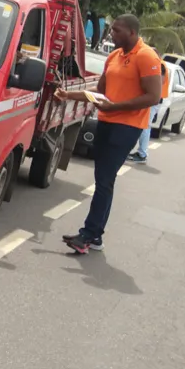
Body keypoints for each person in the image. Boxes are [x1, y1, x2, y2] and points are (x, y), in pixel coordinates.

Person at [55, 14, 161, 254]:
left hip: (127, 127)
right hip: (106, 122)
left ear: (132, 33)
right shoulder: (114, 56)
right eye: (112, 30)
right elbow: (100, 92)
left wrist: (115, 107)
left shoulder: (146, 56)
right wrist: (68, 95)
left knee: (104, 181)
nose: (111, 34)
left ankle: (89, 234)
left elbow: (153, 96)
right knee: (104, 180)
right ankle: (95, 235)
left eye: (117, 30)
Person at [128, 50, 170, 164]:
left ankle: (142, 154)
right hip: (155, 99)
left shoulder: (159, 65)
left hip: (154, 100)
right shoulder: (160, 64)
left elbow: (158, 83)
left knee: (145, 126)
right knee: (144, 126)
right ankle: (140, 152)